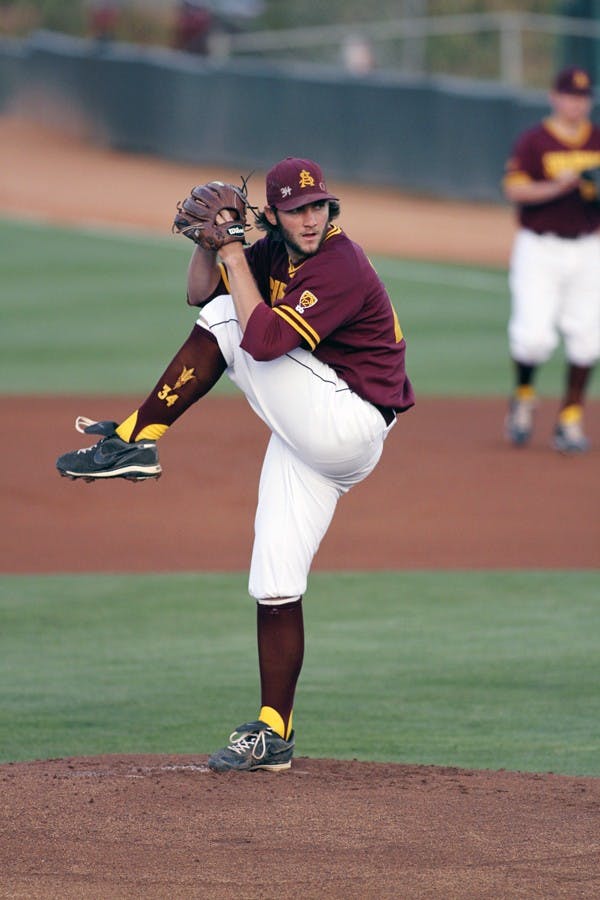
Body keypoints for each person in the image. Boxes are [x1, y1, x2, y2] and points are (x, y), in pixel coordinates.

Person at [56, 157, 414, 772]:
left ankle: (134, 439)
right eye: (297, 209)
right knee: (274, 581)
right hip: (310, 437)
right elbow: (199, 292)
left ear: (331, 209)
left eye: (319, 205)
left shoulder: (339, 263)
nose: (310, 217)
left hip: (347, 422)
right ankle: (275, 730)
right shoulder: (273, 251)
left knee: (233, 323)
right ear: (272, 214)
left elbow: (263, 341)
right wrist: (209, 245)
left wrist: (234, 255)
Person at [502, 65, 600, 454]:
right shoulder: (534, 141)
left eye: (582, 97)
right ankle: (524, 396)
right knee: (533, 338)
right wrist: (562, 186)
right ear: (554, 97)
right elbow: (515, 190)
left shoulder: (597, 138)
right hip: (539, 247)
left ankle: (570, 418)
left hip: (590, 246)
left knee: (589, 338)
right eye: (569, 95)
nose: (575, 103)